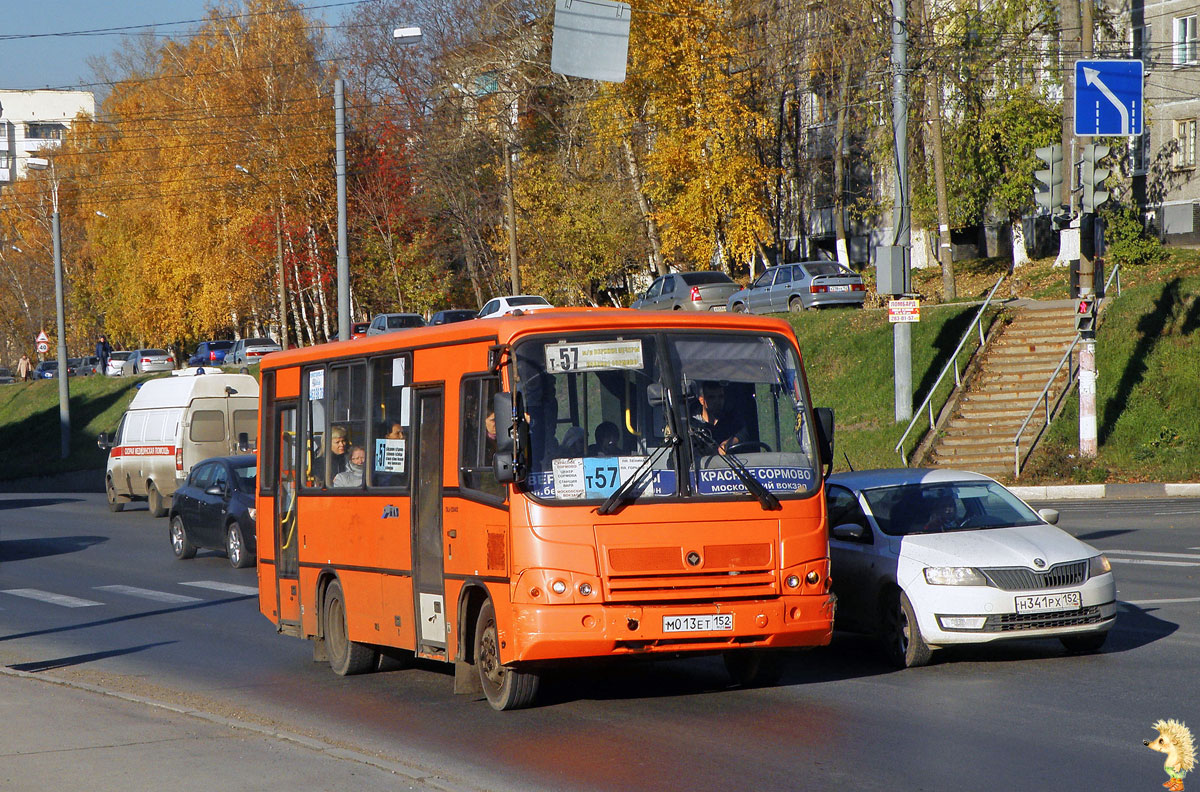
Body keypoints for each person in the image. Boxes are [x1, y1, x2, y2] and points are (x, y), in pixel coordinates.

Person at [690, 380, 744, 455]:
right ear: (702, 400)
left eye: (720, 397)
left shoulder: (731, 418)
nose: (717, 401)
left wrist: (728, 443)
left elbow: (743, 433)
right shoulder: (691, 426)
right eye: (711, 397)